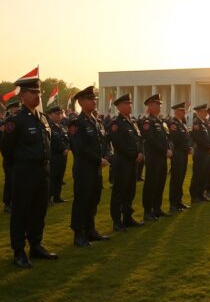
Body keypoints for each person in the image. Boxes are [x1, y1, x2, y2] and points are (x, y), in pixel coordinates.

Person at [0, 77, 58, 268]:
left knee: (39, 211)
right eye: (33, 92)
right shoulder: (16, 120)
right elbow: (7, 149)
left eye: (39, 92)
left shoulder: (42, 118)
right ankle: (18, 251)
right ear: (22, 95)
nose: (37, 96)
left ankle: (36, 245)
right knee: (21, 212)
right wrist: (18, 167)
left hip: (43, 171)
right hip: (25, 171)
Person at [68, 87, 110, 246]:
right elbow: (80, 148)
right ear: (80, 102)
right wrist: (99, 160)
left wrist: (106, 156)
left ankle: (90, 230)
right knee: (82, 200)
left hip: (96, 168)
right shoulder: (76, 123)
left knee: (94, 199)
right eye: (90, 99)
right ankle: (79, 234)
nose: (94, 102)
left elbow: (104, 143)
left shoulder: (97, 121)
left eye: (95, 99)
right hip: (84, 168)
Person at [108, 93, 144, 232]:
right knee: (119, 192)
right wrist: (135, 154)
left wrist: (140, 152)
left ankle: (128, 218)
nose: (130, 106)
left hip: (133, 162)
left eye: (130, 103)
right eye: (127, 104)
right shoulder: (116, 124)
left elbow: (139, 140)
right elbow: (118, 144)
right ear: (119, 107)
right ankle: (117, 222)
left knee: (130, 191)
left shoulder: (132, 122)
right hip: (122, 163)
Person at [141, 94, 172, 222]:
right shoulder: (148, 122)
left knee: (160, 183)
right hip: (153, 157)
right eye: (156, 104)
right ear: (149, 106)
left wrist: (169, 148)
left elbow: (167, 138)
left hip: (162, 157)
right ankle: (148, 211)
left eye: (159, 104)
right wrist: (165, 150)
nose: (159, 106)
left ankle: (157, 208)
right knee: (151, 184)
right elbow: (151, 140)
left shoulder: (161, 122)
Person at [168, 102, 191, 213]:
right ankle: (173, 204)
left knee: (181, 178)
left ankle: (179, 201)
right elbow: (176, 140)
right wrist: (188, 148)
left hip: (183, 154)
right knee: (175, 179)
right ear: (176, 111)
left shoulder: (182, 123)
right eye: (182, 110)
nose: (184, 112)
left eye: (184, 110)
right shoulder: (174, 123)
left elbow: (187, 137)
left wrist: (188, 147)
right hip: (177, 154)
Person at [189, 104, 210, 203]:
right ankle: (194, 196)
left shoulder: (203, 123)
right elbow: (198, 139)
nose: (206, 114)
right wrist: (209, 147)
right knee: (198, 175)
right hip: (200, 152)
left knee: (204, 174)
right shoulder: (197, 123)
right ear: (199, 112)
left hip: (206, 152)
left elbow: (207, 137)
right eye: (204, 112)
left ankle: (201, 194)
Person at [47, 106, 70, 204]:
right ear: (50, 115)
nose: (59, 116)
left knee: (59, 177)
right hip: (54, 155)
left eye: (60, 113)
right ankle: (49, 197)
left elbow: (67, 139)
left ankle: (57, 196)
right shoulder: (48, 127)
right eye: (57, 114)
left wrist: (67, 148)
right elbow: (50, 142)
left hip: (63, 156)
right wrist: (62, 149)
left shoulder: (61, 126)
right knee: (52, 177)